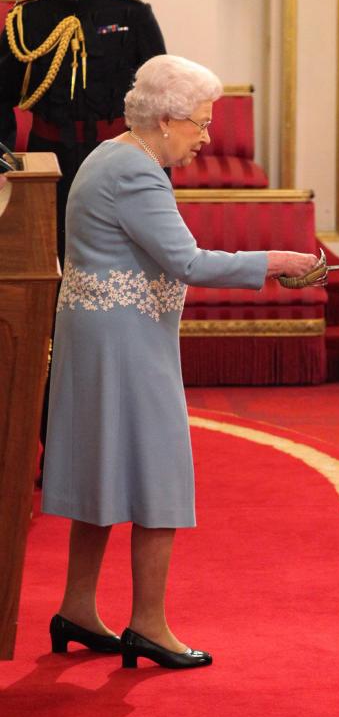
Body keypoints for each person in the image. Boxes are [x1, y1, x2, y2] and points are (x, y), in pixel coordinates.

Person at [41, 55, 322, 669]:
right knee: (155, 470)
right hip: (125, 343)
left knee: (103, 472)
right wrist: (272, 261)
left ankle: (79, 608)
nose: (206, 136)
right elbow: (187, 262)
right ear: (165, 120)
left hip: (103, 335)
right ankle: (148, 624)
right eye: (198, 123)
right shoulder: (137, 174)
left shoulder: (110, 155)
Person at [0, 0, 166, 265]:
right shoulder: (27, 19)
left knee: (118, 254)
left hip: (115, 153)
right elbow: (1, 95)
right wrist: (3, 160)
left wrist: (158, 165)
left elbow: (160, 96)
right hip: (49, 156)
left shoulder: (132, 16)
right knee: (48, 255)